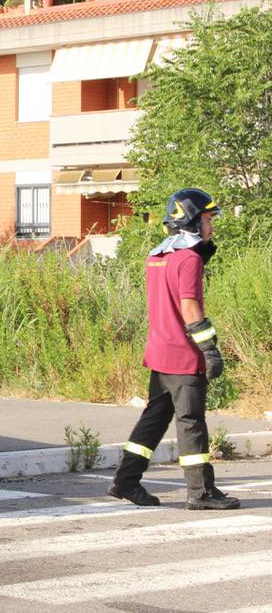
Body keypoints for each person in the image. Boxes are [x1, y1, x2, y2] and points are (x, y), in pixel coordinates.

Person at [108, 188, 240, 511]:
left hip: (159, 354)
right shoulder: (189, 260)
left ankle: (126, 480)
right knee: (191, 422)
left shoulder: (156, 256)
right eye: (208, 220)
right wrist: (210, 349)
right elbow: (190, 307)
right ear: (193, 222)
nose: (212, 227)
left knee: (152, 421)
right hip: (183, 358)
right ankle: (200, 492)